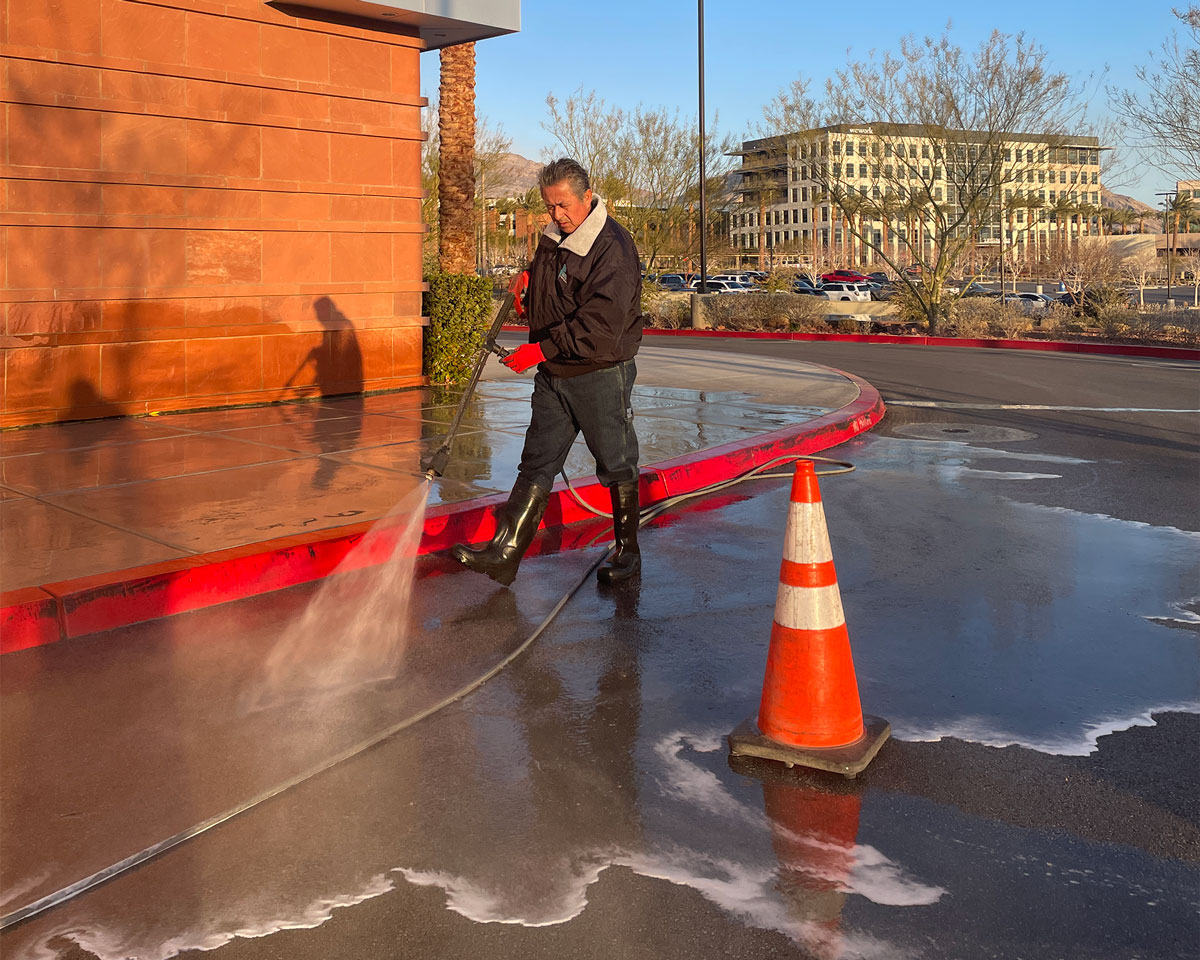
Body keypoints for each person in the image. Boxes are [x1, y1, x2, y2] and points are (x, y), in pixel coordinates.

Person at [452, 158, 643, 587]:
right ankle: (505, 553)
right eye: (549, 206)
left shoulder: (612, 248)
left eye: (562, 205)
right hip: (555, 374)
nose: (556, 215)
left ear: (587, 198)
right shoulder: (555, 237)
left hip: (599, 372)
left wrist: (539, 349)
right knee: (536, 462)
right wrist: (527, 279)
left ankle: (628, 553)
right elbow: (550, 282)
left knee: (616, 464)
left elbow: (601, 324)